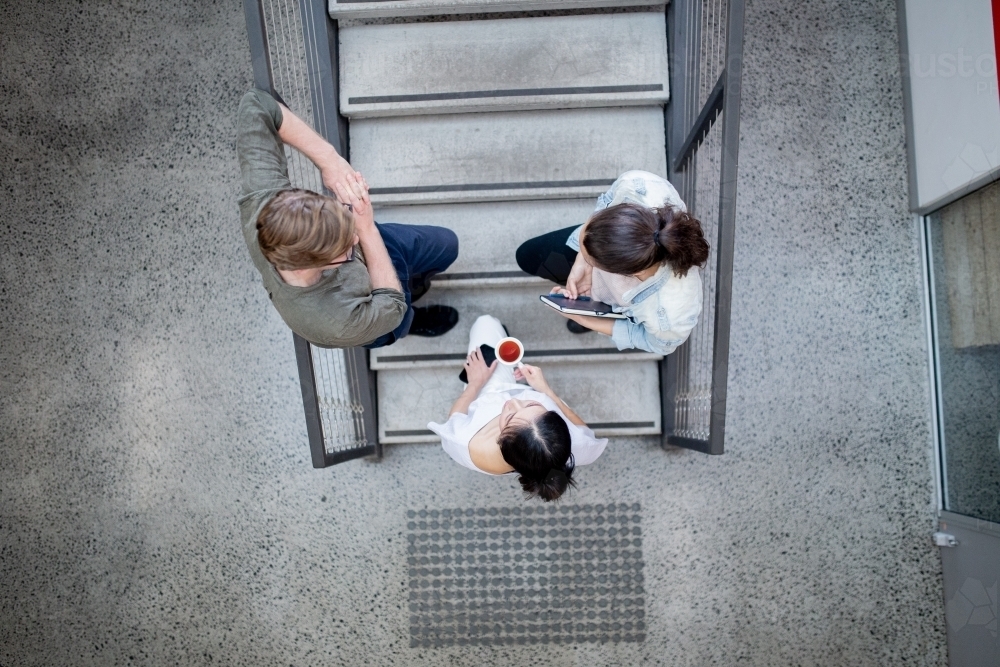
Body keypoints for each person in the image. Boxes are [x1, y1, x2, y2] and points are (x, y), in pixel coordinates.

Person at [236, 88, 459, 348]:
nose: (353, 238)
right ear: (305, 266)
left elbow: (257, 104)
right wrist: (366, 231)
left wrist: (329, 161)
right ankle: (415, 319)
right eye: (345, 248)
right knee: (403, 317)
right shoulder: (336, 323)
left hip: (377, 244)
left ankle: (415, 282)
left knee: (447, 246)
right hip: (377, 309)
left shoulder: (267, 203)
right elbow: (392, 306)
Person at [515, 170, 709, 356]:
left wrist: (586, 319)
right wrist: (582, 262)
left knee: (545, 265)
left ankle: (596, 315)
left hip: (622, 301)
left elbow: (653, 342)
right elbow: (605, 204)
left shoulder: (669, 317)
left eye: (587, 255)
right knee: (527, 256)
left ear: (621, 272)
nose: (581, 251)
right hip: (605, 249)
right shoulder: (638, 186)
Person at [428, 315, 607, 502]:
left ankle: (499, 335)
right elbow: (583, 429)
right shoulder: (579, 446)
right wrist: (545, 389)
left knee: (485, 322)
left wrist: (475, 382)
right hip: (530, 384)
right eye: (533, 404)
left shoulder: (463, 444)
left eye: (509, 417)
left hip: (487, 390)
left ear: (501, 442)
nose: (513, 401)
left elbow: (455, 417)